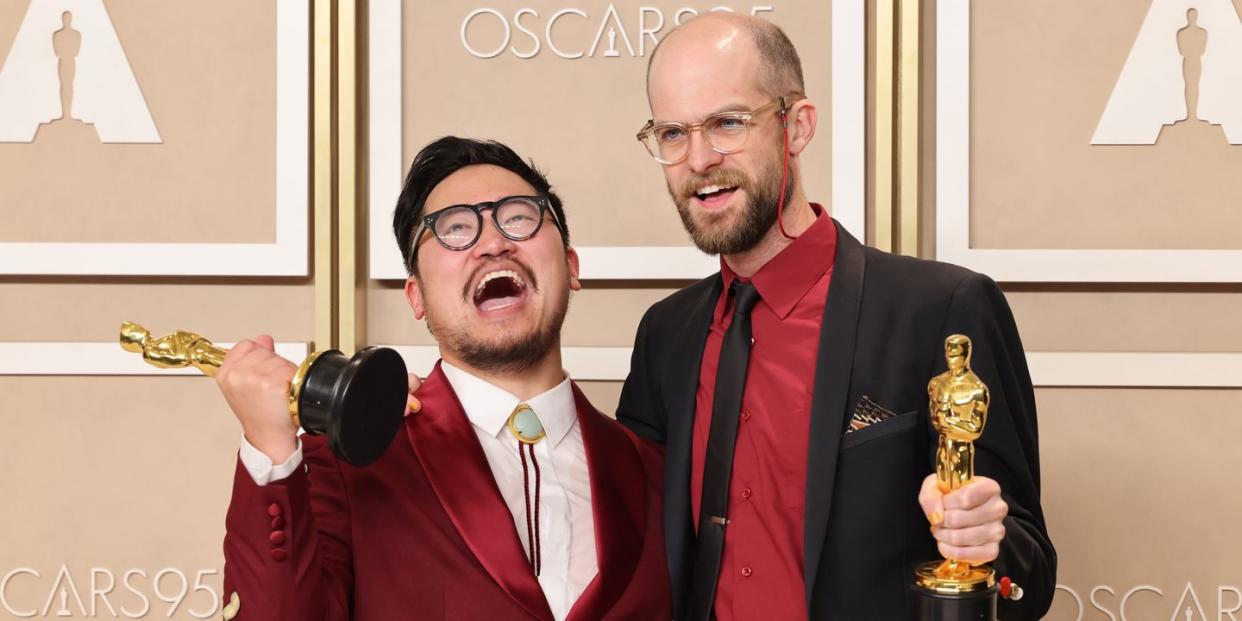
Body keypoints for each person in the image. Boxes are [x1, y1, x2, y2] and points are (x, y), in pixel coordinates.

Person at [617, 13, 1055, 620]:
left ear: (796, 126)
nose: (698, 159)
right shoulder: (664, 336)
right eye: (672, 132)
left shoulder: (941, 310)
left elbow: (1030, 569)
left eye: (727, 123)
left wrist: (985, 544)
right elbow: (622, 527)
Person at [215, 137, 671, 620]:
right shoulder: (347, 468)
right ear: (417, 296)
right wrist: (269, 451)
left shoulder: (659, 473)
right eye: (455, 229)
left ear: (571, 266)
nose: (494, 243)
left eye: (518, 218)